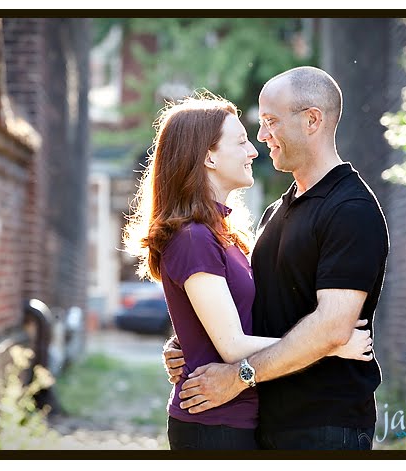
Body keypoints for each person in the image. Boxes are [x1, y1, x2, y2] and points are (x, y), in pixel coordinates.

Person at [122, 90, 374, 450]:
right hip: (214, 424)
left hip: (241, 419)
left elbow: (231, 321)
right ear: (208, 156)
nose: (254, 150)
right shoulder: (195, 238)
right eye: (240, 142)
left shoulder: (223, 235)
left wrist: (187, 346)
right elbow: (232, 345)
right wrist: (331, 346)